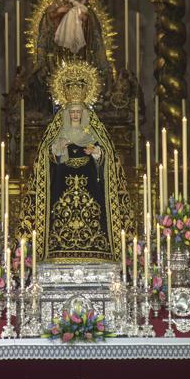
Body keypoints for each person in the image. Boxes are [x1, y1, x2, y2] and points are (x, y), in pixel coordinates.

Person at [19, 61, 133, 262]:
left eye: (78, 113)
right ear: (66, 113)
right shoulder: (58, 132)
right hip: (62, 185)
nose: (74, 116)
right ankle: (57, 246)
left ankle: (97, 247)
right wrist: (57, 150)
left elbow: (106, 158)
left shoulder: (93, 132)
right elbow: (47, 160)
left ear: (84, 114)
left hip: (90, 187)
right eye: (71, 113)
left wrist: (96, 152)